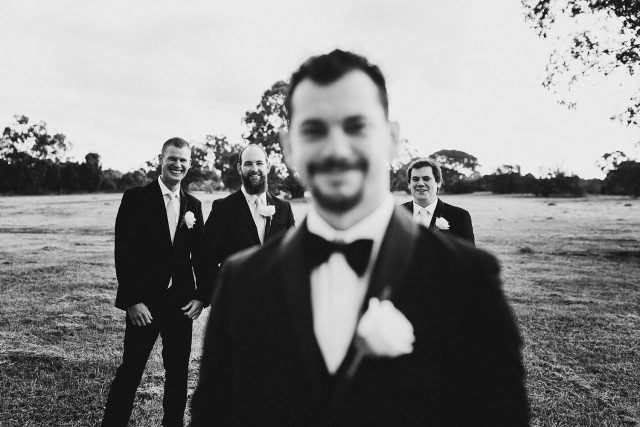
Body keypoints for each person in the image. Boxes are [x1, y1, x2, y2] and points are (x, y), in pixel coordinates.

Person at [191, 50, 528, 426]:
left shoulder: (468, 278)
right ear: (288, 148)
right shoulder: (242, 282)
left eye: (357, 126)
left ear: (392, 138)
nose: (337, 148)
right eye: (314, 129)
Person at [102, 137, 208, 427]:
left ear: (189, 164)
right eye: (172, 158)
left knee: (177, 376)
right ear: (161, 159)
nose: (178, 164)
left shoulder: (193, 206)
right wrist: (132, 300)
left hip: (180, 305)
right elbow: (124, 251)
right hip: (144, 305)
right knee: (131, 372)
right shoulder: (136, 198)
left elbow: (200, 255)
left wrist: (201, 296)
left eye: (183, 159)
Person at [202, 143, 295, 292]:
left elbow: (293, 255)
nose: (254, 169)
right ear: (239, 168)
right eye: (248, 164)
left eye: (259, 163)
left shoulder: (284, 208)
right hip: (237, 303)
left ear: (268, 166)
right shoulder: (223, 209)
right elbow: (207, 259)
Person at [401, 157, 475, 245]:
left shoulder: (460, 216)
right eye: (415, 179)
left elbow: (467, 257)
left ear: (438, 183)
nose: (420, 184)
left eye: (426, 179)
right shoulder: (395, 214)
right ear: (409, 184)